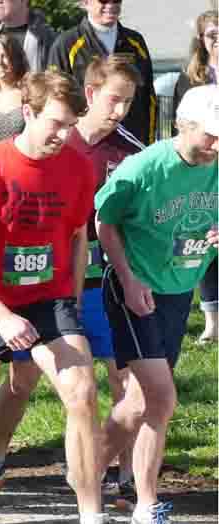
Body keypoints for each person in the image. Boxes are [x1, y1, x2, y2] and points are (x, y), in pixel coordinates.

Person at [0, 70, 123, 524]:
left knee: (82, 393)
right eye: (55, 124)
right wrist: (0, 316)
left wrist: (71, 298)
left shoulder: (78, 168)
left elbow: (77, 236)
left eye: (70, 125)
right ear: (28, 112)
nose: (63, 135)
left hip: (47, 301)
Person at [0, 55, 145, 499]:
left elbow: (109, 223)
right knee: (23, 380)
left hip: (97, 281)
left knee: (117, 378)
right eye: (114, 100)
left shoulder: (129, 151)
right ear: (90, 94)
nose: (121, 111)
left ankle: (121, 477)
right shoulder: (30, 150)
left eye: (130, 102)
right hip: (26, 285)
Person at [94, 85, 219, 524]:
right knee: (161, 399)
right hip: (135, 287)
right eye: (210, 135)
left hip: (178, 287)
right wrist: (128, 279)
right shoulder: (143, 168)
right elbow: (104, 221)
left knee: (137, 405)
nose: (216, 145)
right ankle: (147, 511)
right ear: (182, 125)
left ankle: (85, 472)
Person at [47, 0, 156, 145]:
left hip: (129, 142)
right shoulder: (66, 44)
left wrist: (148, 144)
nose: (111, 5)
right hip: (83, 143)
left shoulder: (135, 42)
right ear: (86, 2)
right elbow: (54, 98)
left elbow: (149, 97)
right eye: (103, 1)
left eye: (116, 0)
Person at [177, 10, 219, 342]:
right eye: (212, 34)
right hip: (206, 161)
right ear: (201, 39)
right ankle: (212, 319)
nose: (217, 40)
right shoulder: (191, 78)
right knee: (207, 234)